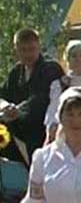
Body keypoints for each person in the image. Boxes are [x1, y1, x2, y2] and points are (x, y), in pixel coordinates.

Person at [0, 28, 64, 164]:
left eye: (32, 49)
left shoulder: (51, 68)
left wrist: (18, 110)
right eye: (23, 50)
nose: (28, 54)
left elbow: (40, 98)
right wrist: (6, 107)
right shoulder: (16, 72)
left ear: (39, 46)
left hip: (42, 131)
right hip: (18, 130)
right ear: (16, 50)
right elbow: (2, 95)